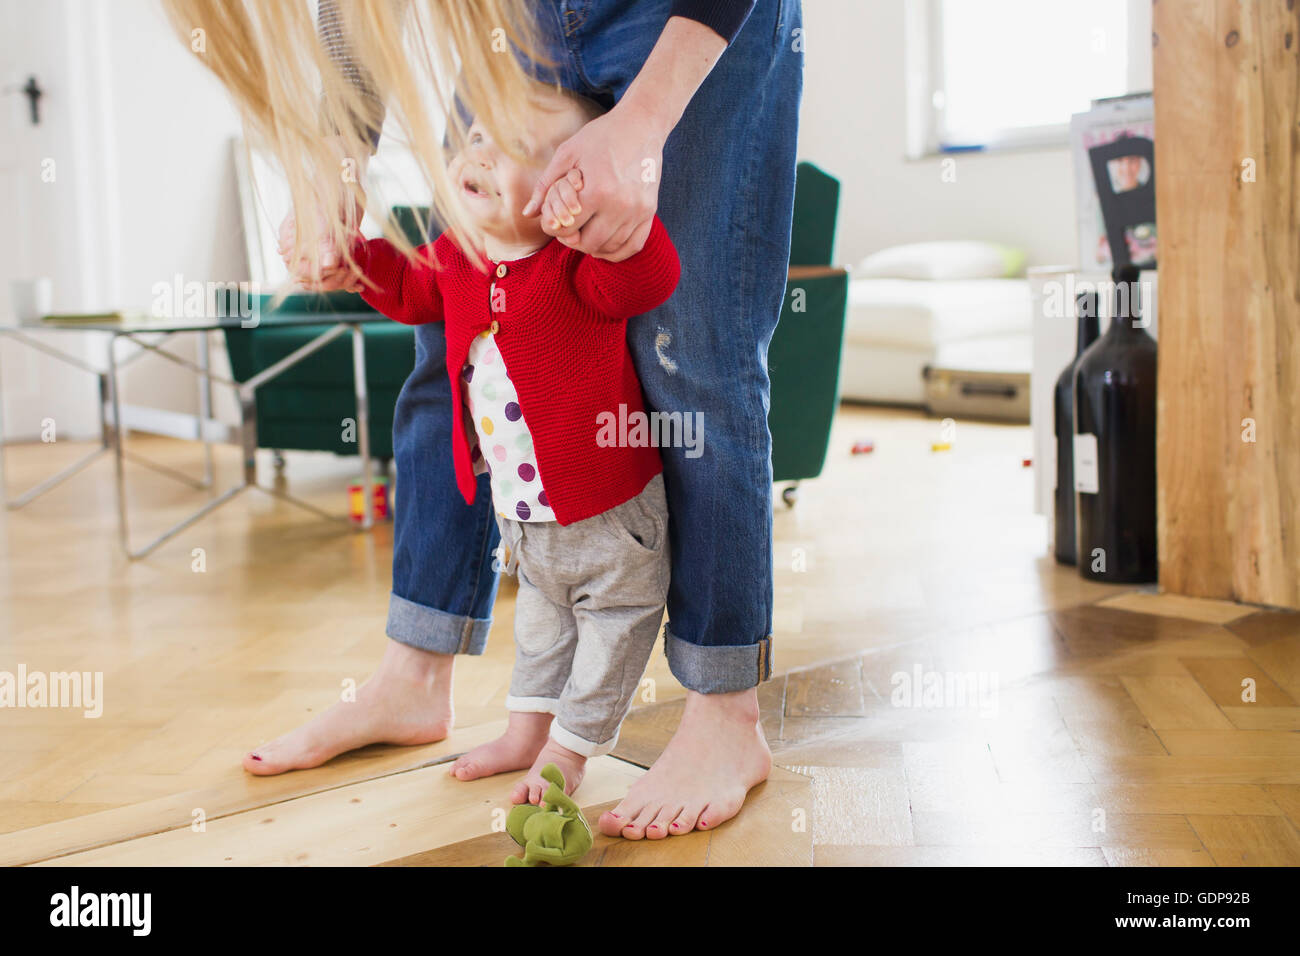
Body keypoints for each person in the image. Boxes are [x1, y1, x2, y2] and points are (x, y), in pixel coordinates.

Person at [167, 0, 802, 839]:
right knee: (451, 344)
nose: (469, 158)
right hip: (517, 23)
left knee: (699, 354)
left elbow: (640, 282)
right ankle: (413, 675)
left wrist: (646, 124)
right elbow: (414, 276)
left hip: (689, 17)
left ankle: (726, 718)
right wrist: (340, 174)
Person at [354, 87, 680, 804]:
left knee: (607, 641)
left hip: (611, 520)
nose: (479, 154)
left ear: (571, 184)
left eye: (515, 149)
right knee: (538, 633)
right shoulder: (459, 256)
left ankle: (571, 750)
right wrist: (349, 256)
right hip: (525, 521)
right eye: (475, 136)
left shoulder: (574, 262)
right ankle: (525, 732)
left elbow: (649, 280)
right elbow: (409, 290)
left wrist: (626, 230)